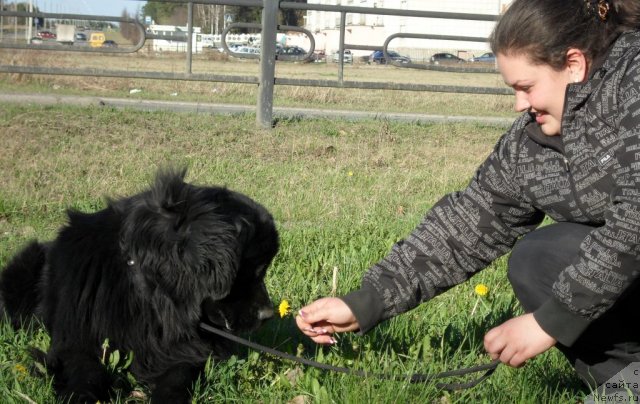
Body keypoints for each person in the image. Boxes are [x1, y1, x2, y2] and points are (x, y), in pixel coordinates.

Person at [296, 0, 640, 390]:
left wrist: (551, 321)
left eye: (526, 87)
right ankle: (628, 391)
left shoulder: (633, 84)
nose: (520, 104)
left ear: (573, 64)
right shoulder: (533, 139)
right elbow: (474, 220)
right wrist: (366, 302)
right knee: (539, 259)